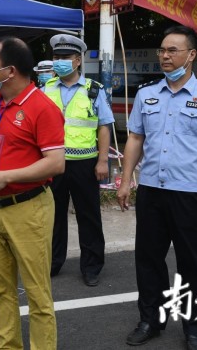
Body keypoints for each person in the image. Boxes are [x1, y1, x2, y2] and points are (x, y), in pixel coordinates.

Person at [117, 26, 197, 350]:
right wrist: (127, 180)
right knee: (149, 259)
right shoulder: (147, 94)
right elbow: (136, 139)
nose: (165, 56)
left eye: (172, 50)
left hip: (191, 193)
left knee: (193, 264)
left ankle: (196, 328)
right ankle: (150, 320)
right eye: (162, 50)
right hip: (153, 190)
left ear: (191, 55)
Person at [0, 36, 65, 350]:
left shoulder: (42, 107)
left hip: (29, 208)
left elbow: (56, 163)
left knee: (37, 294)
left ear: (9, 71)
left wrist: (7, 176)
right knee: (0, 290)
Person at [43, 34, 114, 287]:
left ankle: (92, 266)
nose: (59, 61)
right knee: (53, 215)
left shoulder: (93, 90)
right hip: (52, 163)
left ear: (77, 61)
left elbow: (104, 127)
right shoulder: (45, 89)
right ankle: (52, 262)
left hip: (85, 163)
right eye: (56, 57)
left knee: (89, 216)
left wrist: (103, 161)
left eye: (65, 58)